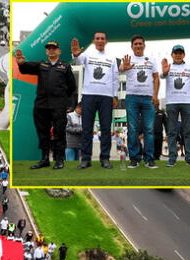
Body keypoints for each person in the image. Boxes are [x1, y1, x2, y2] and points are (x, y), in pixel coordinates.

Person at [14, 41, 77, 170]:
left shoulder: (65, 67)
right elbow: (26, 68)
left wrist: (65, 102)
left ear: (59, 51)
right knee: (43, 133)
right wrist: (21, 64)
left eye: (54, 48)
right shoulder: (40, 65)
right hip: (42, 104)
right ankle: (44, 159)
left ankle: (59, 160)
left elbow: (72, 88)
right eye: (49, 49)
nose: (51, 50)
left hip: (58, 105)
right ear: (46, 52)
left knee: (59, 132)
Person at [72, 32, 119, 170]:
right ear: (93, 41)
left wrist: (115, 96)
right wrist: (75, 54)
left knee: (105, 129)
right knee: (87, 129)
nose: (100, 41)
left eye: (102, 39)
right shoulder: (87, 55)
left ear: (106, 41)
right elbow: (78, 61)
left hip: (106, 97)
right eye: (97, 38)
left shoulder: (111, 58)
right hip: (89, 95)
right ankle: (85, 159)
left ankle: (105, 158)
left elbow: (115, 78)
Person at [120, 35, 160, 168]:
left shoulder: (151, 60)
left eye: (140, 43)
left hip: (148, 98)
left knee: (149, 129)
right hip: (132, 98)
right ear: (132, 47)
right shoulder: (127, 59)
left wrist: (155, 95)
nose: (138, 46)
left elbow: (156, 78)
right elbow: (120, 69)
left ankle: (149, 159)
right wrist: (124, 68)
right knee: (132, 129)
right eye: (135, 44)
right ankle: (134, 158)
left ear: (144, 45)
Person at [161, 44, 190, 167]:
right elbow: (162, 76)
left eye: (180, 53)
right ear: (172, 55)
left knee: (188, 131)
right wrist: (165, 72)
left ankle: (189, 158)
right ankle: (172, 158)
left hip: (187, 102)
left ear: (184, 54)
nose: (178, 55)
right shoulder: (168, 66)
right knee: (171, 132)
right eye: (175, 53)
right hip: (171, 102)